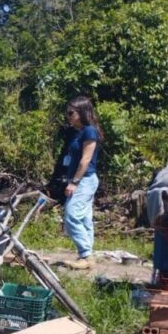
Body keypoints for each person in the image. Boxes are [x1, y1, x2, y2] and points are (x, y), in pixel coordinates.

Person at [61, 96, 102, 269]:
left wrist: (75, 182)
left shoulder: (89, 132)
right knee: (84, 218)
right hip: (79, 180)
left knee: (71, 216)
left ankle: (85, 254)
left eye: (71, 113)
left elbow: (85, 160)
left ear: (82, 112)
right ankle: (87, 256)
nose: (68, 116)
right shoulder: (79, 132)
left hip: (84, 180)